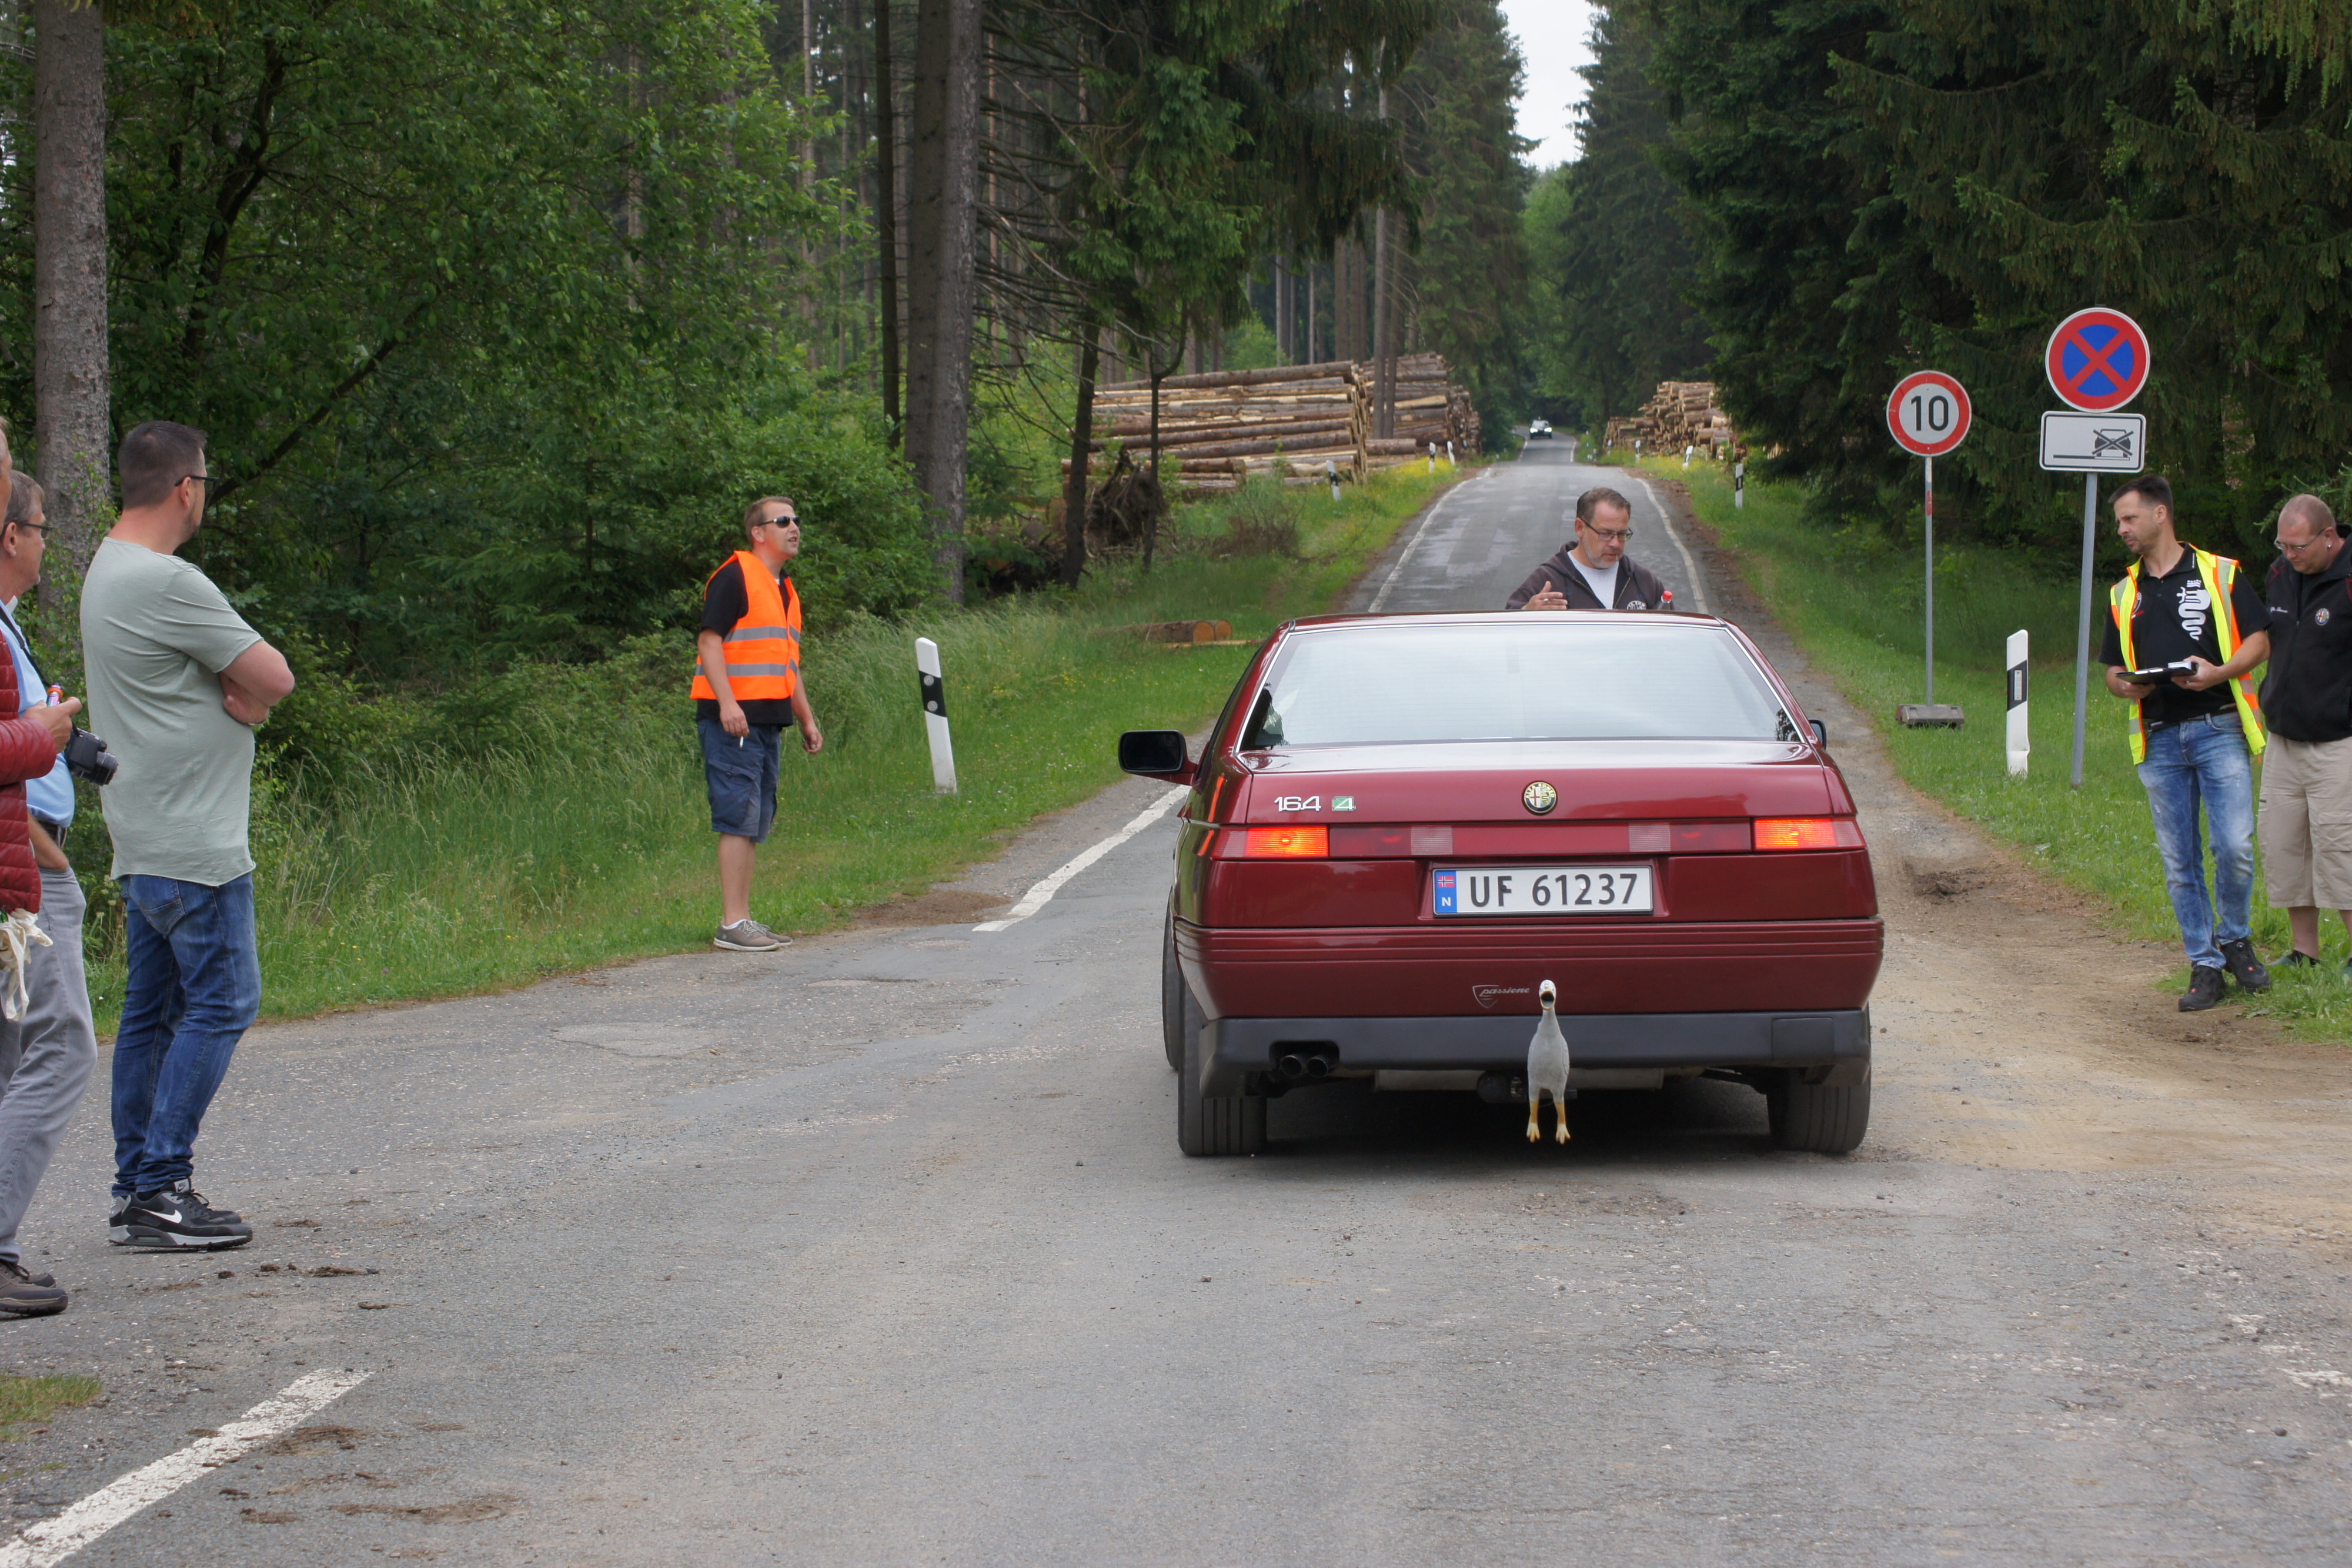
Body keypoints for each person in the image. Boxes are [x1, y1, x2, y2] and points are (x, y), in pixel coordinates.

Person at [82, 421, 295, 1251]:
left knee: (151, 1013)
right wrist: (248, 693)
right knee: (223, 1001)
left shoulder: (106, 566)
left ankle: (135, 1182)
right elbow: (272, 674)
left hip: (144, 832)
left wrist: (232, 686)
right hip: (194, 841)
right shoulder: (168, 580)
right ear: (186, 488)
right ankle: (163, 1186)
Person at [2097, 474, 2272, 1012]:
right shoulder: (2125, 591)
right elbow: (2110, 669)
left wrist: (2218, 672)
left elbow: (2260, 641)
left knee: (2235, 848)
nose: (2122, 529)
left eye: (2129, 518)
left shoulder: (2221, 573)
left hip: (2218, 726)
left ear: (2160, 515)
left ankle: (2235, 937)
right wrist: (2124, 683)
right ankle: (2205, 961)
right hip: (2161, 738)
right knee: (2180, 861)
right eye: (2119, 521)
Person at [0, 450, 89, 1312]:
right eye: (39, 529)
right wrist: (46, 851)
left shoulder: (9, 622)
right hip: (23, 862)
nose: (46, 544)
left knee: (11, 1054)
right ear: (10, 534)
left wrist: (59, 729)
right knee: (62, 1045)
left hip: (30, 851)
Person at [693, 496, 823, 952]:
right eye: (783, 521)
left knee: (754, 819)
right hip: (734, 721)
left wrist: (806, 718)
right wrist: (728, 704)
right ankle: (732, 923)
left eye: (796, 521)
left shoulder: (784, 589)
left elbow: (788, 664)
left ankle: (743, 918)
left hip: (767, 722)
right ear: (758, 532)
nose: (794, 527)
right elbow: (709, 642)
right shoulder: (736, 576)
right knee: (737, 817)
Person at [2256, 494, 2352, 974]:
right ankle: (2304, 951)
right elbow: (2266, 640)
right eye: (2283, 545)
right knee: (2284, 844)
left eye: (2299, 546)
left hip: (2338, 742)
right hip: (2283, 740)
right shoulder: (2280, 574)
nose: (2290, 555)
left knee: (2340, 847)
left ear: (2329, 537)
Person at [1505, 486, 1674, 611]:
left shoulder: (1644, 583)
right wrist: (1527, 612)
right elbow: (1506, 630)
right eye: (1606, 534)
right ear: (1580, 528)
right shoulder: (1548, 581)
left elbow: (1671, 640)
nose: (1615, 543)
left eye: (1622, 534)